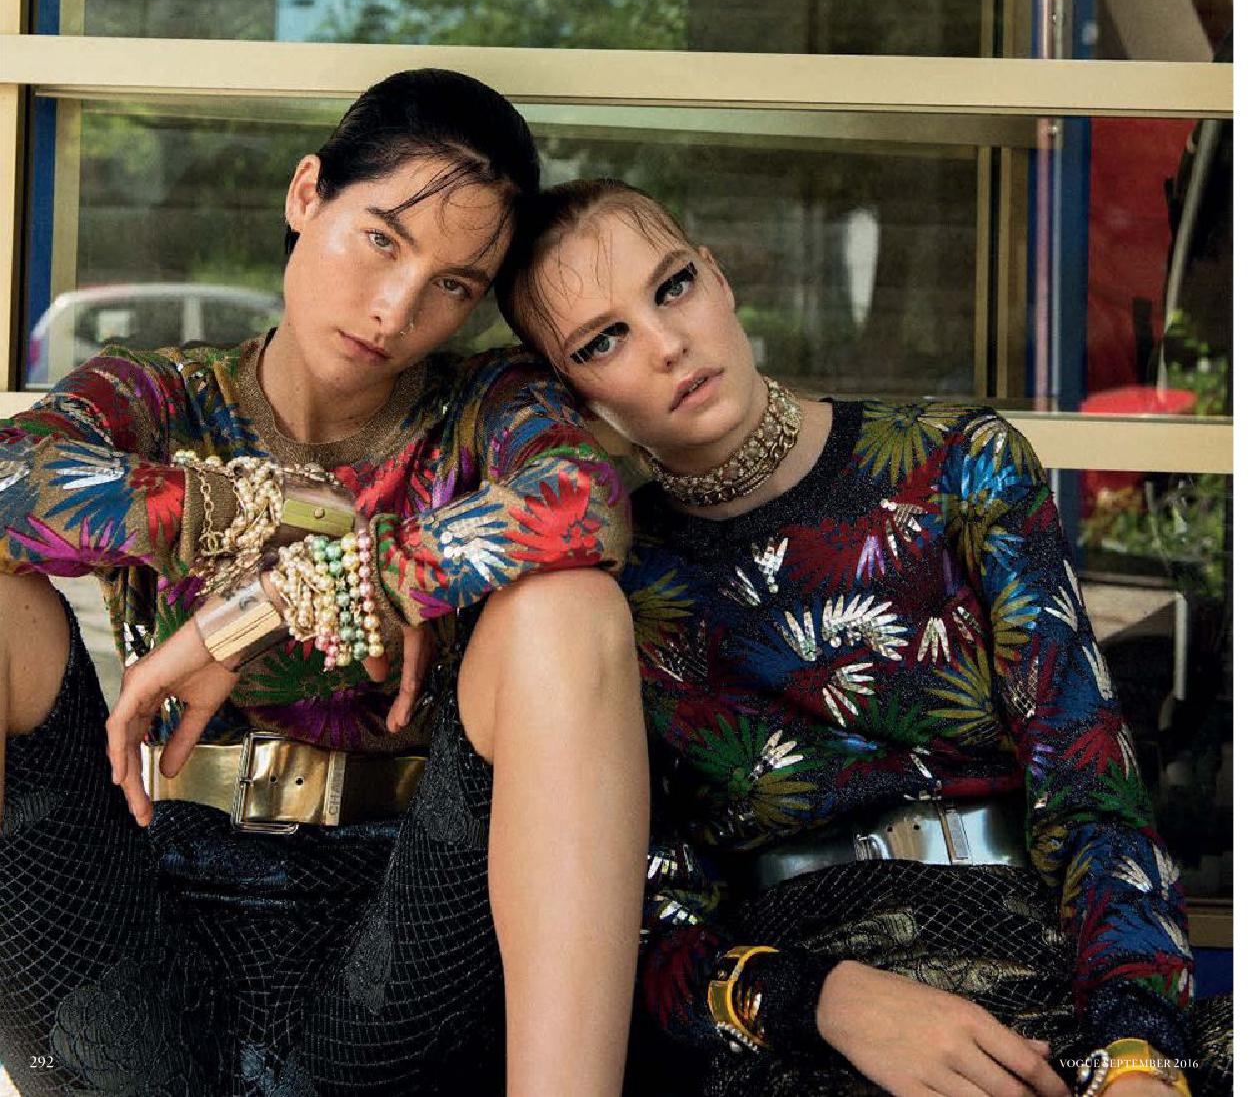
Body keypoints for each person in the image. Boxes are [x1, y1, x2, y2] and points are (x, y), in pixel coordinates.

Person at [495, 177, 1231, 1097]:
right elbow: (638, 930)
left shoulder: (959, 464)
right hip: (806, 1028)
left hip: (1054, 970)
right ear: (570, 392)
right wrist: (825, 1002)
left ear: (718, 278)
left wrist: (1137, 1054)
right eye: (603, 341)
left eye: (673, 286)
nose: (666, 343)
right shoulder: (608, 594)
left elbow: (1094, 797)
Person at [0, 75, 648, 1097]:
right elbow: (10, 480)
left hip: (403, 928)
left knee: (569, 606)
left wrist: (302, 595)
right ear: (308, 193)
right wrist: (278, 512)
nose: (398, 308)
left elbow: (585, 500)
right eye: (382, 239)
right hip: (139, 920)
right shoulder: (162, 394)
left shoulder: (482, 406)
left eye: (454, 286)